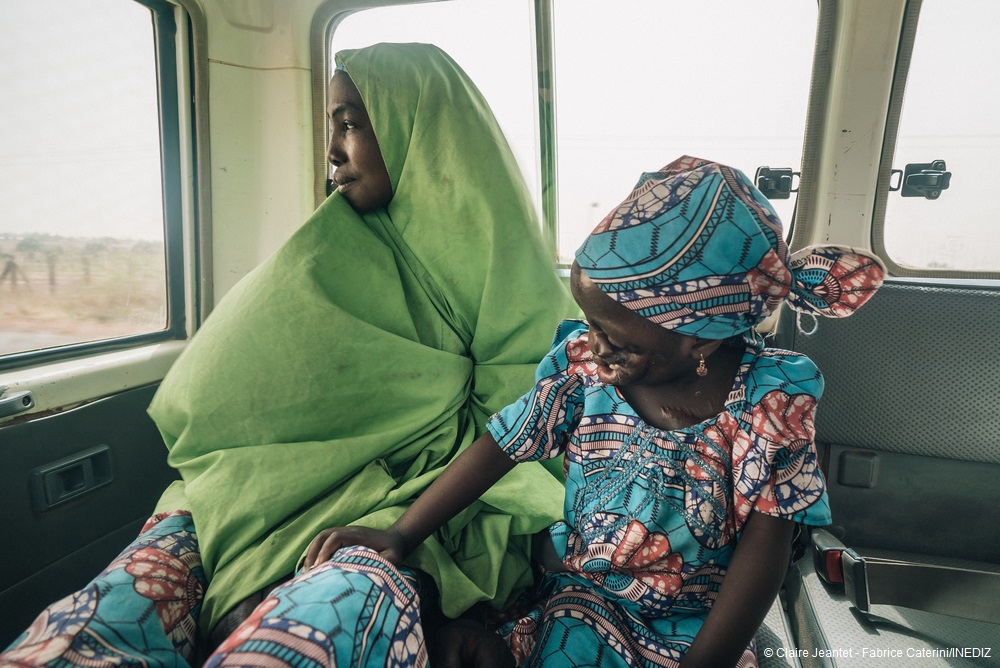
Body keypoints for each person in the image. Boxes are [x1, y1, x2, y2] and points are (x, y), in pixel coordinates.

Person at [1, 43, 575, 667]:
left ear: (422, 134)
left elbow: (523, 451)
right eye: (331, 124)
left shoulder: (504, 272)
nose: (332, 150)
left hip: (418, 510)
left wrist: (402, 521)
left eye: (351, 123)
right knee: (105, 612)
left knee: (317, 619)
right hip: (240, 496)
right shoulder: (336, 246)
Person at [303, 156, 886, 667]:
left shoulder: (769, 403)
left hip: (695, 628)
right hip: (580, 595)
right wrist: (401, 535)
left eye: (620, 340)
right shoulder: (585, 366)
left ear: (701, 341)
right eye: (589, 324)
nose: (596, 347)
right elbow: (504, 444)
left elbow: (766, 551)